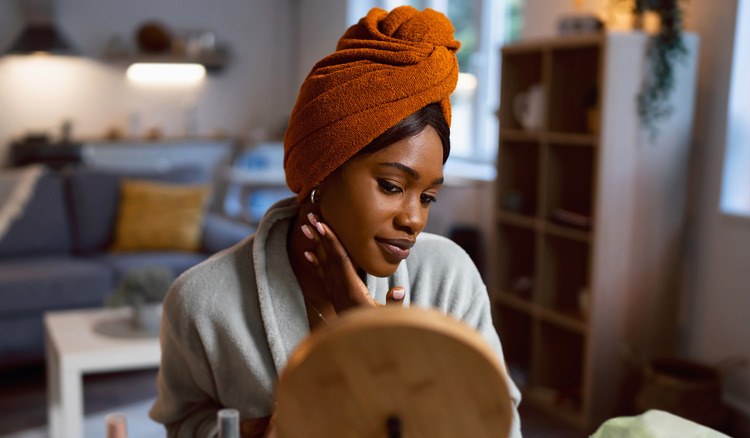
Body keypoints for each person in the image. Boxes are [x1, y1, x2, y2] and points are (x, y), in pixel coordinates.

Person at [150, 5, 521, 437]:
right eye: (391, 185)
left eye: (429, 196)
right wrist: (278, 426)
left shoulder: (449, 280)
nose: (415, 219)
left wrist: (382, 345)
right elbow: (183, 424)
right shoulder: (202, 302)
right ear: (322, 173)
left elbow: (499, 425)